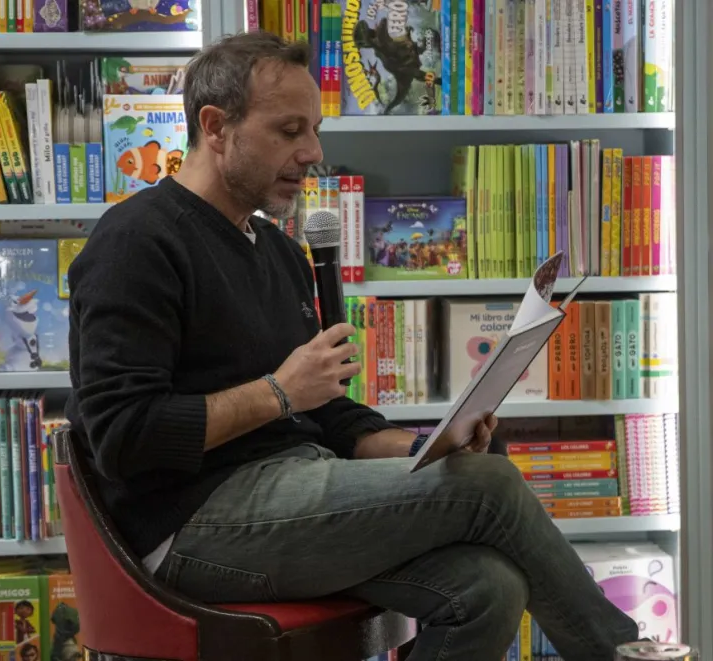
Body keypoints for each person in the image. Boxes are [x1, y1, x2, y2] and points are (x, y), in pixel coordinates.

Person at [64, 30, 643, 661]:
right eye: (289, 131)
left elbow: (331, 417)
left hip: (298, 491)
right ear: (215, 126)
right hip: (189, 526)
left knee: (487, 586)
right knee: (490, 486)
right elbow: (123, 436)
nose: (312, 152)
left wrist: (430, 446)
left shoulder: (280, 253)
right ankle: (622, 654)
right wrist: (280, 393)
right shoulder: (135, 242)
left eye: (314, 130)